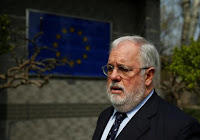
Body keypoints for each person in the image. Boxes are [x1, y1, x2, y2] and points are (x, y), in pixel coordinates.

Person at [92, 36, 200, 140]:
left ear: (148, 76)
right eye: (110, 68)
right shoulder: (105, 116)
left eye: (123, 69)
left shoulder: (180, 128)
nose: (113, 76)